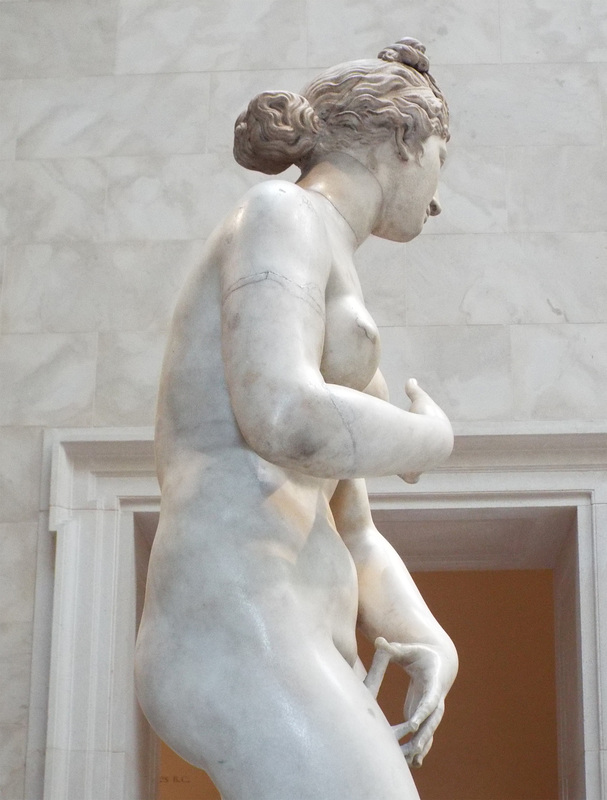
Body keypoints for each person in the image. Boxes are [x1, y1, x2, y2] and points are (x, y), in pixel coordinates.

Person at [135, 37, 458, 800]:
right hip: (236, 619)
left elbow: (355, 531)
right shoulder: (280, 212)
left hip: (300, 635)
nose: (441, 195)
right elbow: (280, 414)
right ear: (404, 142)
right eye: (443, 155)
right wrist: (430, 439)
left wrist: (426, 635)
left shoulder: (332, 284)